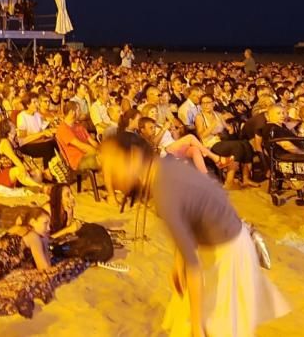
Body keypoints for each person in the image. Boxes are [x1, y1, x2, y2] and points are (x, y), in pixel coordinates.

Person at [99, 132, 288, 337]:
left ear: (134, 156)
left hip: (227, 254)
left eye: (112, 165)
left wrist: (197, 326)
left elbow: (193, 266)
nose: (108, 175)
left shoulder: (165, 191)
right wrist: (179, 261)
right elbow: (192, 215)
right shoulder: (165, 167)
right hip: (219, 243)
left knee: (212, 326)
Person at [0, 119, 43, 189]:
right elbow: (13, 157)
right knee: (18, 170)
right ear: (7, 130)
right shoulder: (4, 142)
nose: (14, 125)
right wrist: (23, 168)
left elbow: (27, 139)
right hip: (2, 174)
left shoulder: (15, 140)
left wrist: (42, 134)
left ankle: (30, 184)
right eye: (12, 125)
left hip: (14, 171)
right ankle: (39, 187)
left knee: (38, 173)